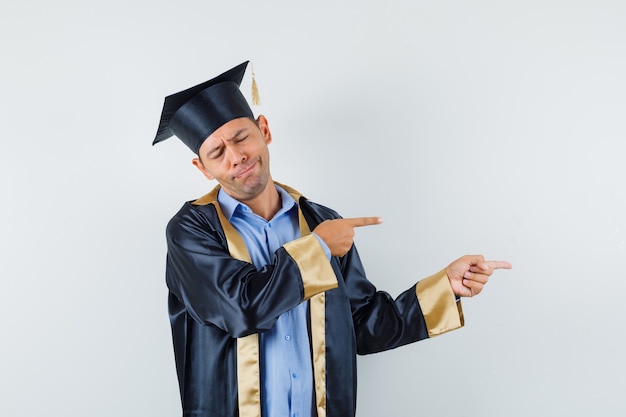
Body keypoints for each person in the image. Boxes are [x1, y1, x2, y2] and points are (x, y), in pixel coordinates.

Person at [153, 61, 512, 417]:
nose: (237, 157)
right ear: (202, 168)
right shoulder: (191, 230)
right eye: (217, 153)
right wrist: (319, 248)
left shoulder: (322, 222)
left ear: (264, 130)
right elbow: (240, 308)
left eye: (241, 137)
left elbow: (364, 325)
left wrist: (445, 287)